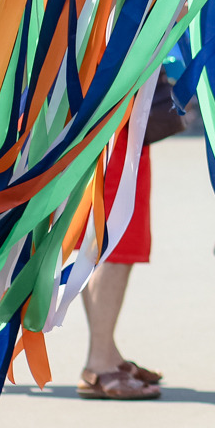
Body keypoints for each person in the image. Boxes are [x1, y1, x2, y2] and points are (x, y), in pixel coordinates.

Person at [76, 127, 161, 400]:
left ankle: (106, 354)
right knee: (115, 240)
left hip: (98, 120)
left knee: (98, 237)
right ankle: (100, 363)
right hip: (114, 120)